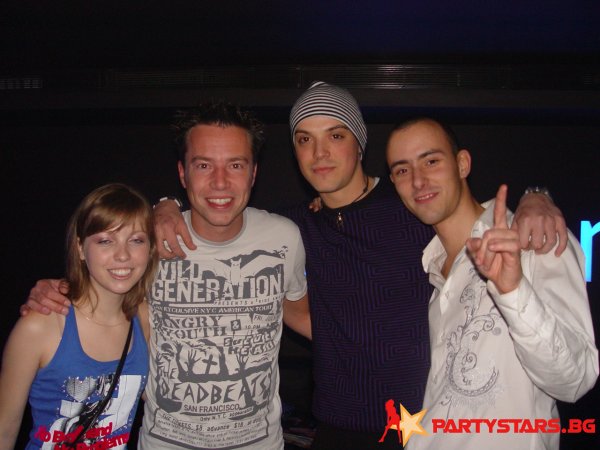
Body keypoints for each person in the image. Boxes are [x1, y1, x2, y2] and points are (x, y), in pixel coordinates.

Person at [26, 85, 566, 450]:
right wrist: (161, 208)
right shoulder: (292, 226)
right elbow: (134, 254)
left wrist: (535, 197)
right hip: (333, 426)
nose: (320, 153)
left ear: (359, 144)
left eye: (336, 136)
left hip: (417, 428)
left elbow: (464, 208)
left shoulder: (408, 206)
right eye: (305, 139)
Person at [22, 101, 310, 450]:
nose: (220, 182)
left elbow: (298, 311)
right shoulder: (148, 241)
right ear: (182, 173)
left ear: (253, 173)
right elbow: (102, 289)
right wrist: (60, 290)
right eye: (203, 165)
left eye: (235, 165)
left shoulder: (284, 237)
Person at [386, 118, 598, 449]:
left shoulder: (533, 239)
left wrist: (513, 291)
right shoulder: (433, 271)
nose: (417, 180)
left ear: (462, 164)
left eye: (431, 161)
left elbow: (575, 380)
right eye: (402, 170)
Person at [0, 183, 157, 449]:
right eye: (105, 241)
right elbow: (5, 428)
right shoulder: (41, 325)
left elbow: (162, 401)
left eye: (136, 240)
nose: (123, 255)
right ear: (81, 248)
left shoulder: (144, 319)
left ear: (150, 248)